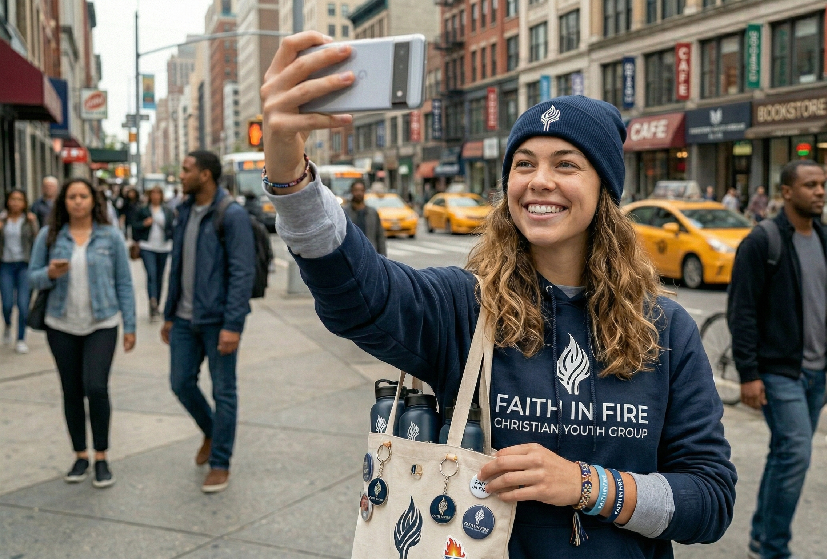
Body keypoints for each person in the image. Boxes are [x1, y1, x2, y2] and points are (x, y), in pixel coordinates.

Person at [260, 32, 736, 559]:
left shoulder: (665, 327)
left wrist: (588, 485)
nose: (540, 181)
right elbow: (358, 293)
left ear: (604, 189)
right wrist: (290, 177)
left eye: (566, 164)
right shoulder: (463, 306)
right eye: (524, 163)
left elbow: (710, 501)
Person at [728, 160, 827, 559]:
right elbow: (741, 311)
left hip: (815, 374)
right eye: (810, 184)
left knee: (786, 454)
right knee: (795, 452)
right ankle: (773, 548)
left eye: (823, 184)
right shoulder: (763, 241)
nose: (820, 191)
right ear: (787, 192)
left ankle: (762, 539)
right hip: (778, 372)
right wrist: (749, 374)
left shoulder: (825, 241)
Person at [27, 178, 136, 488]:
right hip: (60, 324)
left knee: (96, 387)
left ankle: (101, 455)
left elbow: (125, 284)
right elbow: (32, 278)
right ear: (64, 202)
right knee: (71, 391)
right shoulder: (49, 237)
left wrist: (130, 326)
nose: (77, 201)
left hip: (101, 323)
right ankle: (80, 455)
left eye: (83, 196)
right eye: (71, 196)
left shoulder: (110, 236)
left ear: (93, 200)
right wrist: (49, 273)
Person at [160, 150, 255, 494]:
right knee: (180, 382)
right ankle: (212, 430)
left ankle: (220, 462)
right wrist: (169, 314)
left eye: (186, 170)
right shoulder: (183, 211)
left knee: (223, 391)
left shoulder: (231, 215)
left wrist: (233, 325)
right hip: (184, 319)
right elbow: (177, 263)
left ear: (205, 175)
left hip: (218, 321)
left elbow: (242, 273)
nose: (180, 176)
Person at [1, 190, 39, 353]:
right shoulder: (2, 219)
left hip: (24, 265)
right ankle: (8, 324)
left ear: (24, 203)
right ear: (8, 201)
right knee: (8, 303)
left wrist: (34, 223)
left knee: (24, 304)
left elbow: (37, 241)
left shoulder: (29, 220)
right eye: (13, 199)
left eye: (19, 200)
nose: (16, 202)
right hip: (6, 265)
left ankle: (21, 338)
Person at [131, 186, 174, 321]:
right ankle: (152, 301)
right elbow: (134, 226)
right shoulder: (143, 210)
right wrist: (144, 224)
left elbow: (172, 227)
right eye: (153, 194)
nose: (155, 197)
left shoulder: (167, 211)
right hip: (147, 246)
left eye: (158, 194)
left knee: (160, 276)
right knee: (152, 274)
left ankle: (157, 304)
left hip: (163, 247)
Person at [342, 179, 386, 256]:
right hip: (351, 255)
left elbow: (380, 236)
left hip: (370, 254)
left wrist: (383, 257)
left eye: (361, 190)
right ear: (352, 191)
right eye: (356, 190)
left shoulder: (372, 213)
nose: (359, 193)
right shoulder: (344, 213)